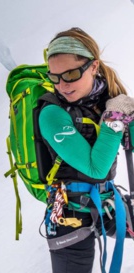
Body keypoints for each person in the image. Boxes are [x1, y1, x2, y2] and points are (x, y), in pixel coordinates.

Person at [38, 27, 134, 273]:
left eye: (70, 74)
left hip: (107, 202)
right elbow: (97, 169)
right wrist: (114, 121)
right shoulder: (51, 113)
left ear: (93, 67)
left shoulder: (108, 99)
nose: (62, 85)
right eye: (55, 77)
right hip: (68, 218)